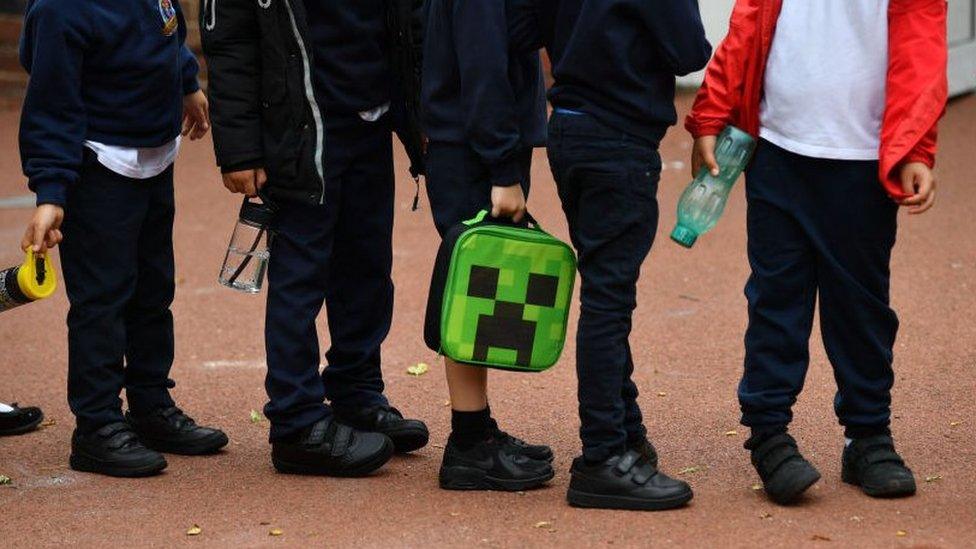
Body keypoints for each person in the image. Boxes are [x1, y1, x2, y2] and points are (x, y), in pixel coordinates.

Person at [686, 0, 947, 504]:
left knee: (861, 308)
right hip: (776, 155)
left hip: (863, 164)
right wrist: (711, 112)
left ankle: (867, 437)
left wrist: (917, 150)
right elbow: (745, 29)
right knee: (776, 301)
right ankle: (768, 434)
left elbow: (923, 52)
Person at [201, 0, 429, 477]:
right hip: (301, 129)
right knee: (300, 277)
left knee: (367, 268)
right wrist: (239, 150)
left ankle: (357, 392)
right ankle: (296, 422)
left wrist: (420, 114)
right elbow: (229, 45)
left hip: (372, 120)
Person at [18, 0, 227, 477]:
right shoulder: (60, 10)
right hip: (100, 165)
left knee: (154, 291)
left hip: (154, 158)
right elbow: (51, 103)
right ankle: (96, 426)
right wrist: (51, 190)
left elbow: (166, 30)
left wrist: (187, 82)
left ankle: (151, 405)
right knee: (102, 300)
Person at [538, 0, 712, 510]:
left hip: (569, 127)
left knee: (603, 288)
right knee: (609, 302)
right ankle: (602, 457)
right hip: (618, 139)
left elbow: (538, 28)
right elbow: (689, 51)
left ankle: (626, 434)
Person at [421, 0, 554, 491]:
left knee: (479, 290)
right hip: (475, 151)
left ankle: (476, 430)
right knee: (473, 292)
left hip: (473, 144)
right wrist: (502, 167)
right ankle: (469, 447)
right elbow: (481, 66)